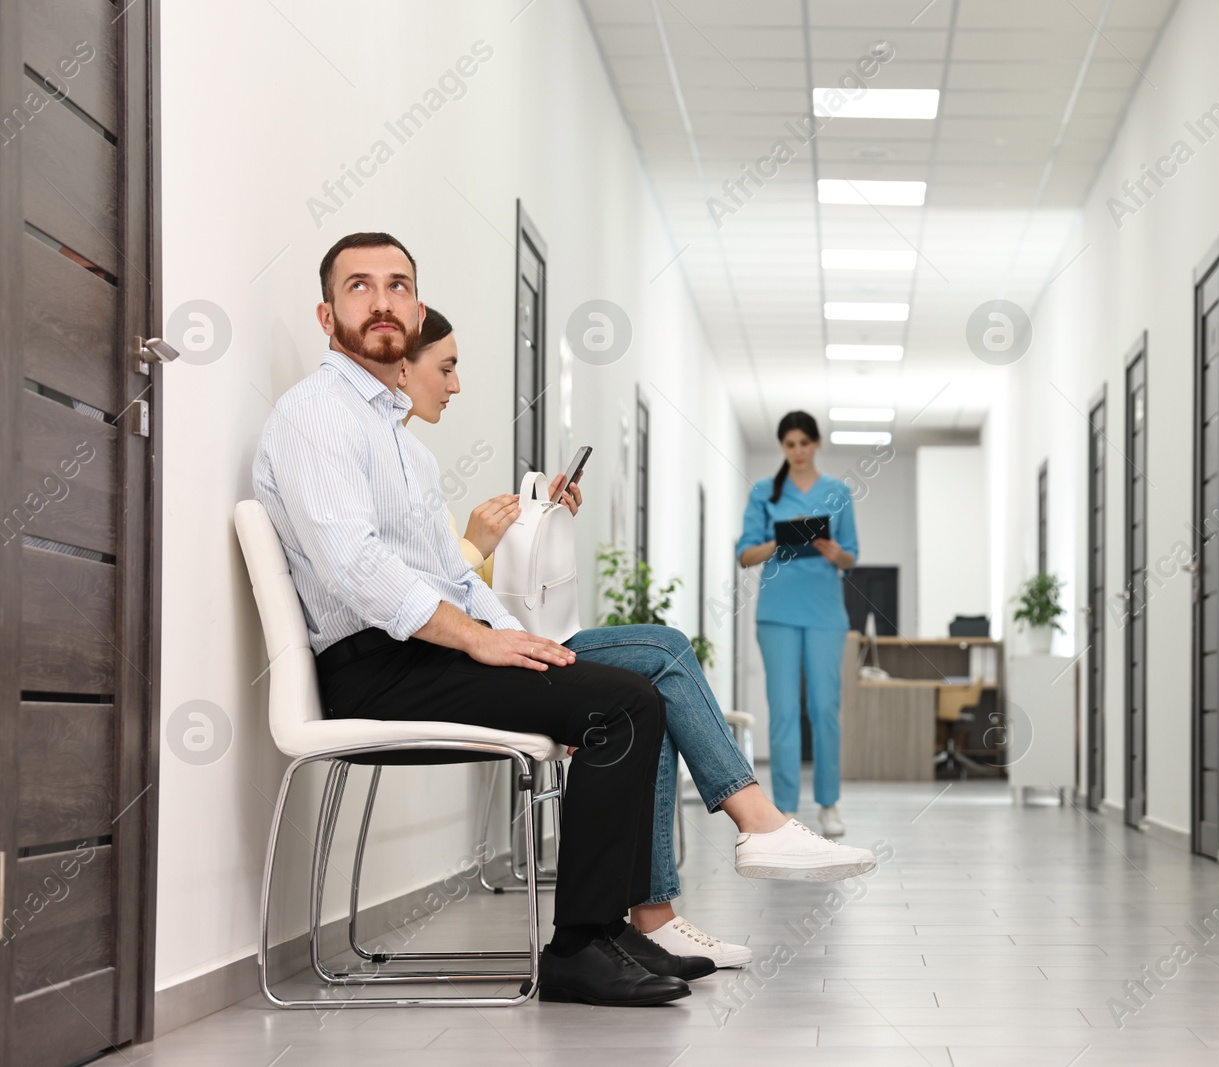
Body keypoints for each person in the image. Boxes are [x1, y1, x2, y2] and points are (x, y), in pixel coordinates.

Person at [253, 232, 708, 1007]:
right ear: (327, 315)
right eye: (359, 287)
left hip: (422, 656)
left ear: (416, 307)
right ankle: (579, 946)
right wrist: (479, 641)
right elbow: (356, 569)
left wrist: (516, 640)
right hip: (375, 670)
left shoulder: (403, 445)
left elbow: (456, 575)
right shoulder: (317, 416)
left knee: (629, 688)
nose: (382, 300)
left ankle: (608, 929)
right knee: (623, 706)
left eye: (398, 285)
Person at [396, 309, 879, 969]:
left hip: (493, 638)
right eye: (446, 368)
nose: (456, 385)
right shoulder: (382, 460)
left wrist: (530, 523)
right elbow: (419, 592)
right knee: (657, 662)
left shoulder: (411, 464)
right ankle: (758, 825)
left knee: (680, 667)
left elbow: (460, 582)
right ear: (401, 366)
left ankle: (664, 908)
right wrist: (477, 543)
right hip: (457, 656)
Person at [736, 411, 859, 837]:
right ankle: (784, 809)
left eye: (804, 443)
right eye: (789, 445)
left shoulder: (838, 493)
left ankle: (828, 804)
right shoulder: (765, 494)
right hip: (777, 616)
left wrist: (830, 550)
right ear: (783, 447)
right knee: (784, 711)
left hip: (825, 614)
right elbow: (745, 555)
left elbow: (851, 557)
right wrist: (779, 541)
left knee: (824, 709)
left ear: (816, 443)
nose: (798, 452)